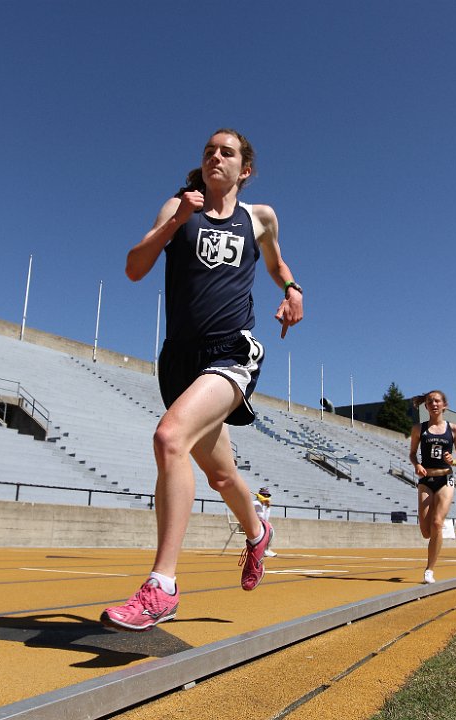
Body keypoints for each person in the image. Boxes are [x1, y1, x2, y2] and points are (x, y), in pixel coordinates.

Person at [101, 129, 303, 631]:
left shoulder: (260, 217)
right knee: (218, 474)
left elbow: (277, 263)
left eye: (227, 152)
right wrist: (176, 222)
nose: (215, 157)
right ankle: (257, 532)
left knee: (169, 437)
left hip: (232, 351)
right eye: (209, 151)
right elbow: (134, 268)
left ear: (245, 170)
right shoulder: (177, 207)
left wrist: (294, 290)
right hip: (179, 361)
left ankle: (162, 586)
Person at [409, 390, 456, 584]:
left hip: (445, 479)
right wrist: (416, 465)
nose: (433, 403)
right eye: (430, 401)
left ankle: (429, 570)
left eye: (437, 401)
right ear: (426, 406)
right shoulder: (418, 429)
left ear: (444, 405)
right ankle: (434, 537)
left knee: (437, 523)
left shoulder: (454, 429)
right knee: (426, 531)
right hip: (426, 480)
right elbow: (412, 453)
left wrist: (454, 461)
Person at [253, 487, 277, 557]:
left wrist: (268, 507)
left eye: (267, 496)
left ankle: (266, 549)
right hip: (253, 523)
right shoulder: (256, 503)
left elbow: (265, 519)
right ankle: (265, 550)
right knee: (269, 528)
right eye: (264, 495)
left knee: (269, 526)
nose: (266, 497)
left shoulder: (263, 504)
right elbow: (262, 518)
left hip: (259, 523)